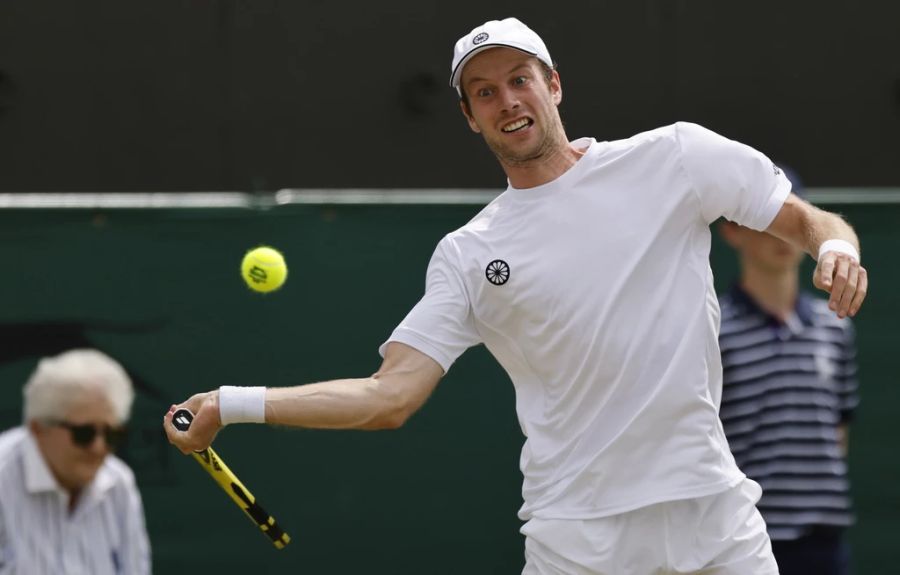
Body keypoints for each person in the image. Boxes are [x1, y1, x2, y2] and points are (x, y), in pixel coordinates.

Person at [165, 17, 868, 574]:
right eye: (485, 92)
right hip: (579, 540)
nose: (507, 100)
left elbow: (806, 219)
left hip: (712, 515)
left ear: (553, 85)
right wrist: (231, 402)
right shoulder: (470, 254)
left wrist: (836, 249)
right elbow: (390, 397)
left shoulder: (675, 157)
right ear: (471, 116)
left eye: (519, 79)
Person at [718, 173, 858, 575]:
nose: (780, 236)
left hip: (824, 544)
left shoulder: (835, 327)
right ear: (733, 232)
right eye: (764, 220)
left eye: (788, 220)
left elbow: (839, 431)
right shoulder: (712, 329)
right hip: (743, 542)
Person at [0, 349, 151, 574]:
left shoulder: (118, 482)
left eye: (111, 434)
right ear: (38, 428)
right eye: (84, 433)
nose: (99, 447)